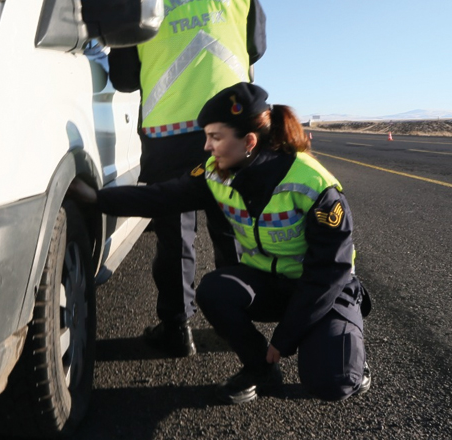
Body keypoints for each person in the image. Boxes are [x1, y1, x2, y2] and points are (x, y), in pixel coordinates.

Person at [70, 82, 372, 403]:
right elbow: (163, 197)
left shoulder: (313, 185)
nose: (206, 146)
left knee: (333, 382)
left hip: (322, 289)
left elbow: (329, 271)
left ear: (249, 142)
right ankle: (260, 369)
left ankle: (352, 358)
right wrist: (97, 199)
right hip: (271, 283)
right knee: (215, 290)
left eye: (215, 137)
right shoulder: (217, 173)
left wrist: (283, 339)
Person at [106, 0, 267, 358]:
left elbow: (124, 77)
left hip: (169, 133)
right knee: (232, 227)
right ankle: (236, 321)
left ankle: (177, 328)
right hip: (232, 129)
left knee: (175, 232)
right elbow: (256, 47)